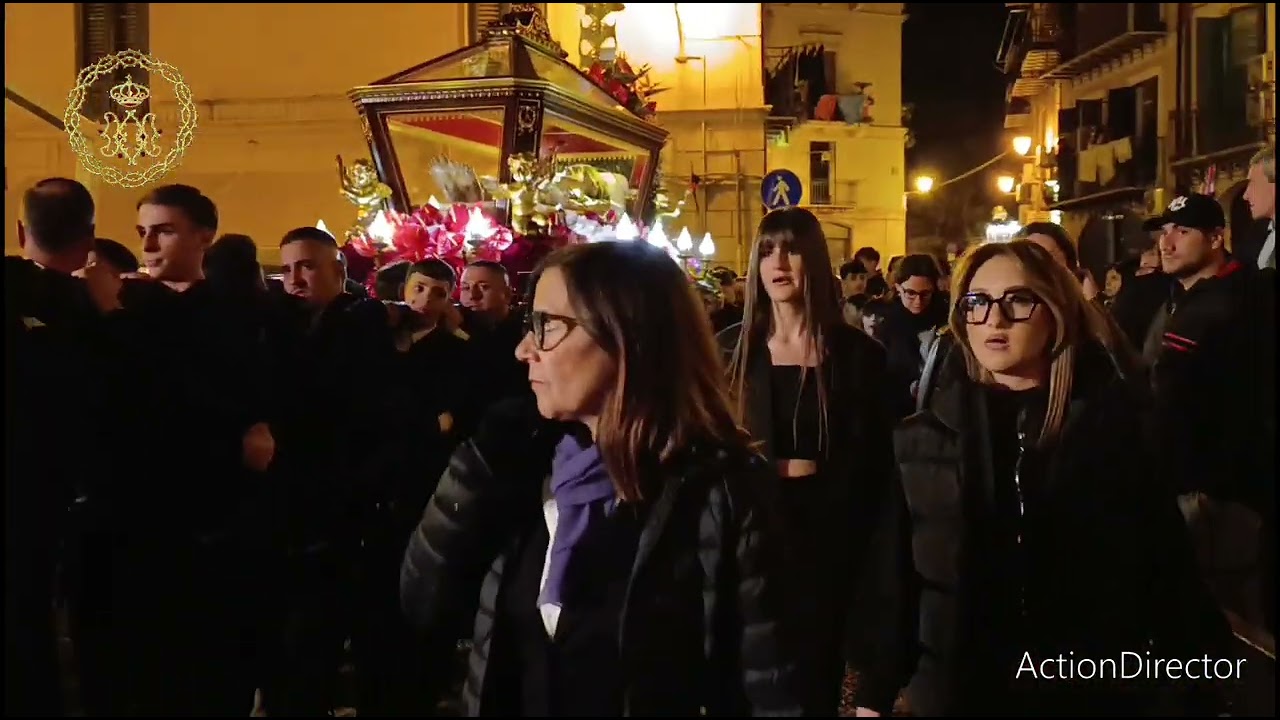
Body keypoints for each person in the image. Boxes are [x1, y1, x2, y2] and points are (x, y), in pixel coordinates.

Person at [401, 240, 799, 716]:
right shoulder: (525, 465)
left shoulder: (721, 488)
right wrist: (475, 471)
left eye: (547, 326)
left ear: (626, 335)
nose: (525, 349)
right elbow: (425, 606)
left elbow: (773, 685)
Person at [855, 240, 1232, 716]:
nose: (994, 318)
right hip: (958, 692)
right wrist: (875, 693)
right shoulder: (920, 441)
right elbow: (898, 584)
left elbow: (1165, 571)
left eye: (1017, 300)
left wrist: (1198, 681)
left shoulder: (1113, 432)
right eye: (977, 302)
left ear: (1054, 311)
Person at [721, 207, 898, 716]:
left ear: (814, 260)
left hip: (828, 546)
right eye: (767, 249)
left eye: (792, 248)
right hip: (750, 545)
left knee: (809, 688)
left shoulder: (858, 357)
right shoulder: (731, 350)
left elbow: (876, 475)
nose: (779, 261)